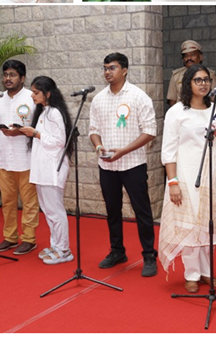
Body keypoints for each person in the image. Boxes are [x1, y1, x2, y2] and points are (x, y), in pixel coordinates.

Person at [159, 65, 216, 292]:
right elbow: (168, 151)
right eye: (198, 80)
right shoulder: (176, 112)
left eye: (206, 80)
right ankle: (191, 274)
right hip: (186, 177)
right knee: (189, 226)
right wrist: (173, 182)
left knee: (209, 226)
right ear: (188, 84)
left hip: (212, 177)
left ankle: (207, 272)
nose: (204, 84)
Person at [89, 52, 159, 277]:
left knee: (142, 211)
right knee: (112, 211)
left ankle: (149, 254)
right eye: (105, 68)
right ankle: (117, 251)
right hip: (107, 165)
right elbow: (93, 131)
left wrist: (124, 151)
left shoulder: (139, 97)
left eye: (112, 68)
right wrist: (99, 147)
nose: (107, 72)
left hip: (133, 164)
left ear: (125, 70)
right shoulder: (99, 98)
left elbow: (150, 131)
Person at [20, 76, 73, 265]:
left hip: (52, 168)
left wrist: (35, 133)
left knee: (55, 210)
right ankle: (56, 245)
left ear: (48, 94)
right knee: (48, 210)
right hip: (42, 168)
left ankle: (64, 249)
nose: (32, 95)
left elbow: (59, 142)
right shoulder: (44, 112)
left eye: (36, 92)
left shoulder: (55, 113)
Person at [0, 59, 38, 254]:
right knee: (7, 202)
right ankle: (10, 237)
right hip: (5, 160)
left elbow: (38, 128)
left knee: (29, 202)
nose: (8, 79)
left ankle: (29, 239)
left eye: (13, 75)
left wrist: (21, 132)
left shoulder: (31, 98)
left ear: (22, 78)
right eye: (6, 75)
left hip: (26, 159)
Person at [167, 40, 205, 108]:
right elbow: (172, 101)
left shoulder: (209, 75)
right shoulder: (176, 76)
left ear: (200, 57)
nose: (189, 58)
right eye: (186, 56)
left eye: (192, 55)